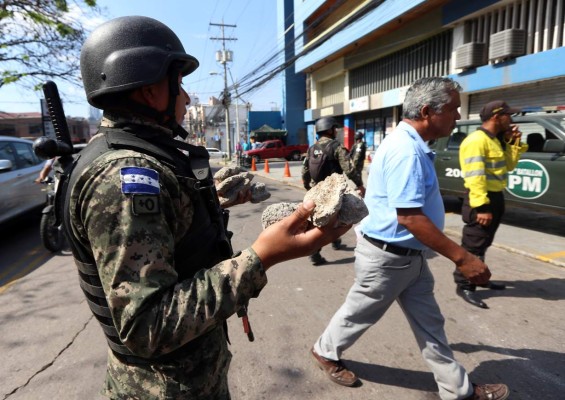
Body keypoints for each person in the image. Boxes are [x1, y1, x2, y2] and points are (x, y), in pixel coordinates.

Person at [61, 16, 350, 400]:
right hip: (166, 389)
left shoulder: (142, 155)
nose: (186, 97)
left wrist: (209, 197)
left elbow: (163, 233)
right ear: (149, 91)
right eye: (178, 84)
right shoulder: (125, 176)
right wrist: (262, 256)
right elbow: (148, 326)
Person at [311, 77, 510, 400]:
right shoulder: (407, 151)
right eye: (454, 109)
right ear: (429, 111)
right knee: (359, 313)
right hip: (388, 259)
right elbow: (410, 217)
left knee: (430, 323)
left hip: (409, 256)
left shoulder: (410, 143)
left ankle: (457, 390)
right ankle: (324, 350)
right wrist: (463, 257)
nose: (458, 116)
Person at [454, 100, 527, 309]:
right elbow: (474, 177)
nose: (511, 120)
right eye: (508, 115)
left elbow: (509, 166)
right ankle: (465, 285)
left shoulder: (495, 140)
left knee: (484, 242)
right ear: (497, 117)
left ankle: (480, 277)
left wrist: (512, 143)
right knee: (473, 243)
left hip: (495, 197)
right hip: (481, 198)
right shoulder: (476, 141)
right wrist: (482, 207)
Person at [301, 116, 365, 265]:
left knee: (325, 220)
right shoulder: (336, 147)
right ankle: (315, 254)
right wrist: (359, 184)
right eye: (335, 128)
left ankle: (335, 242)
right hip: (333, 191)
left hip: (316, 191)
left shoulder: (312, 148)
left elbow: (305, 171)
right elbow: (349, 169)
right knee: (332, 219)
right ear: (329, 130)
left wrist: (308, 188)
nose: (336, 131)